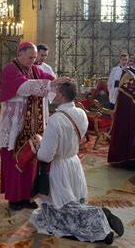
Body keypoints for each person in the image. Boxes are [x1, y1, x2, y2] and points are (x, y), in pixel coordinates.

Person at [30, 81, 124, 244]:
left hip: (58, 167)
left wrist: (37, 148)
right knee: (63, 205)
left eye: (56, 92)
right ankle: (97, 217)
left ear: (61, 95)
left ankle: (99, 218)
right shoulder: (81, 113)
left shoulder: (55, 120)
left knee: (63, 208)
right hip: (73, 162)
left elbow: (46, 155)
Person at [0, 42, 68, 211]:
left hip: (35, 124)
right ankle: (14, 198)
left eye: (35, 58)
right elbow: (24, 87)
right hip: (17, 125)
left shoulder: (34, 69)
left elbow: (47, 79)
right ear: (20, 54)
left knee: (32, 160)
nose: (33, 61)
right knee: (16, 158)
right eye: (30, 57)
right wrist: (50, 84)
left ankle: (28, 196)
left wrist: (60, 83)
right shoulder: (11, 69)